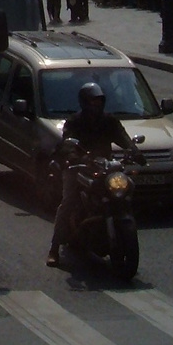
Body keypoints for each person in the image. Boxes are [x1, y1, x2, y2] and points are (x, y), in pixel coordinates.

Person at [47, 81, 138, 267]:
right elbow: (68, 141)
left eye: (99, 102)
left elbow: (122, 136)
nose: (96, 106)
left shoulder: (109, 121)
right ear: (84, 103)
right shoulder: (75, 122)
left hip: (104, 166)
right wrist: (72, 156)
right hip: (79, 166)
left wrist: (133, 150)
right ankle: (54, 248)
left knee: (126, 188)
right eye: (92, 102)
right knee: (68, 201)